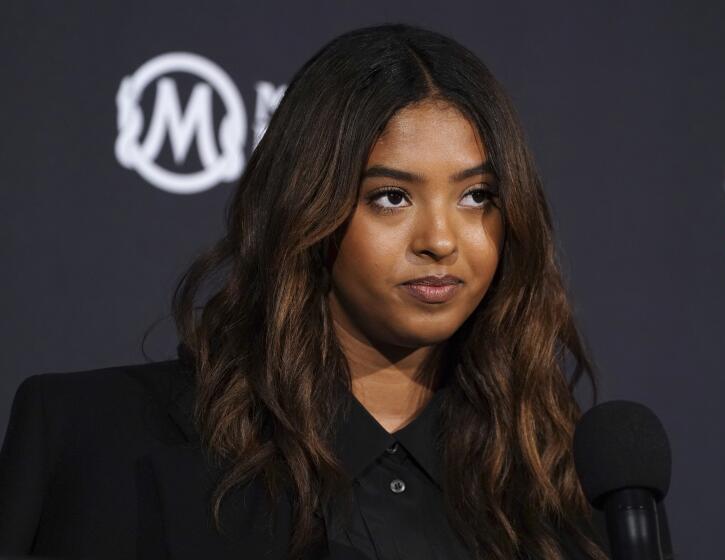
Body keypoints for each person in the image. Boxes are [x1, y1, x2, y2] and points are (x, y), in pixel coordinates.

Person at [0, 23, 610, 560]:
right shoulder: (94, 439)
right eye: (391, 197)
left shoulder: (563, 490)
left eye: (477, 196)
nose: (441, 240)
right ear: (305, 210)